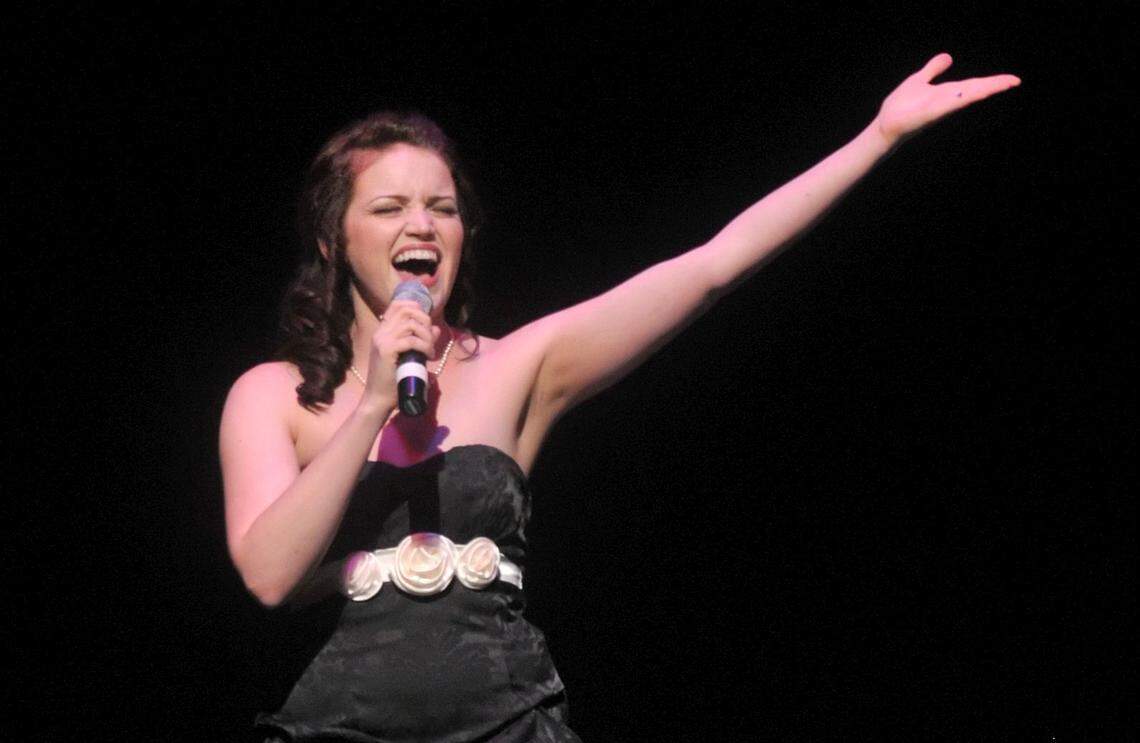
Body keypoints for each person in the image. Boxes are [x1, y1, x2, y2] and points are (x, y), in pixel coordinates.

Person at [220, 53, 1019, 741]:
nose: (422, 224)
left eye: (443, 206)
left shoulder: (519, 364)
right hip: (344, 720)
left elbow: (713, 263)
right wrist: (370, 410)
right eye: (390, 207)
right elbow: (268, 576)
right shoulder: (274, 394)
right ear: (335, 238)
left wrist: (874, 139)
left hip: (508, 717)